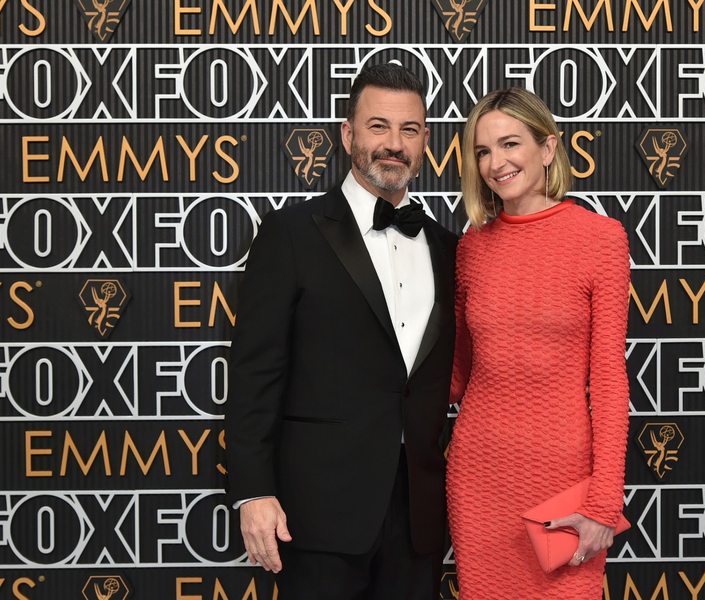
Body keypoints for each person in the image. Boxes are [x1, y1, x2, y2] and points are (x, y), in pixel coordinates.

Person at [224, 64, 458, 600]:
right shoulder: (290, 234)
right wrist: (252, 492)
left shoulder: (447, 248)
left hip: (419, 515)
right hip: (317, 514)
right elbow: (255, 372)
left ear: (425, 140)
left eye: (409, 130)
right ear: (348, 134)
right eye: (378, 127)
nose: (393, 144)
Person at [446, 87, 631, 598]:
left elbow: (611, 381)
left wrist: (603, 503)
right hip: (478, 475)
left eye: (510, 144)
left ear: (547, 149)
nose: (495, 163)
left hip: (564, 480)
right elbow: (457, 374)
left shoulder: (601, 238)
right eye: (482, 151)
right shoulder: (472, 247)